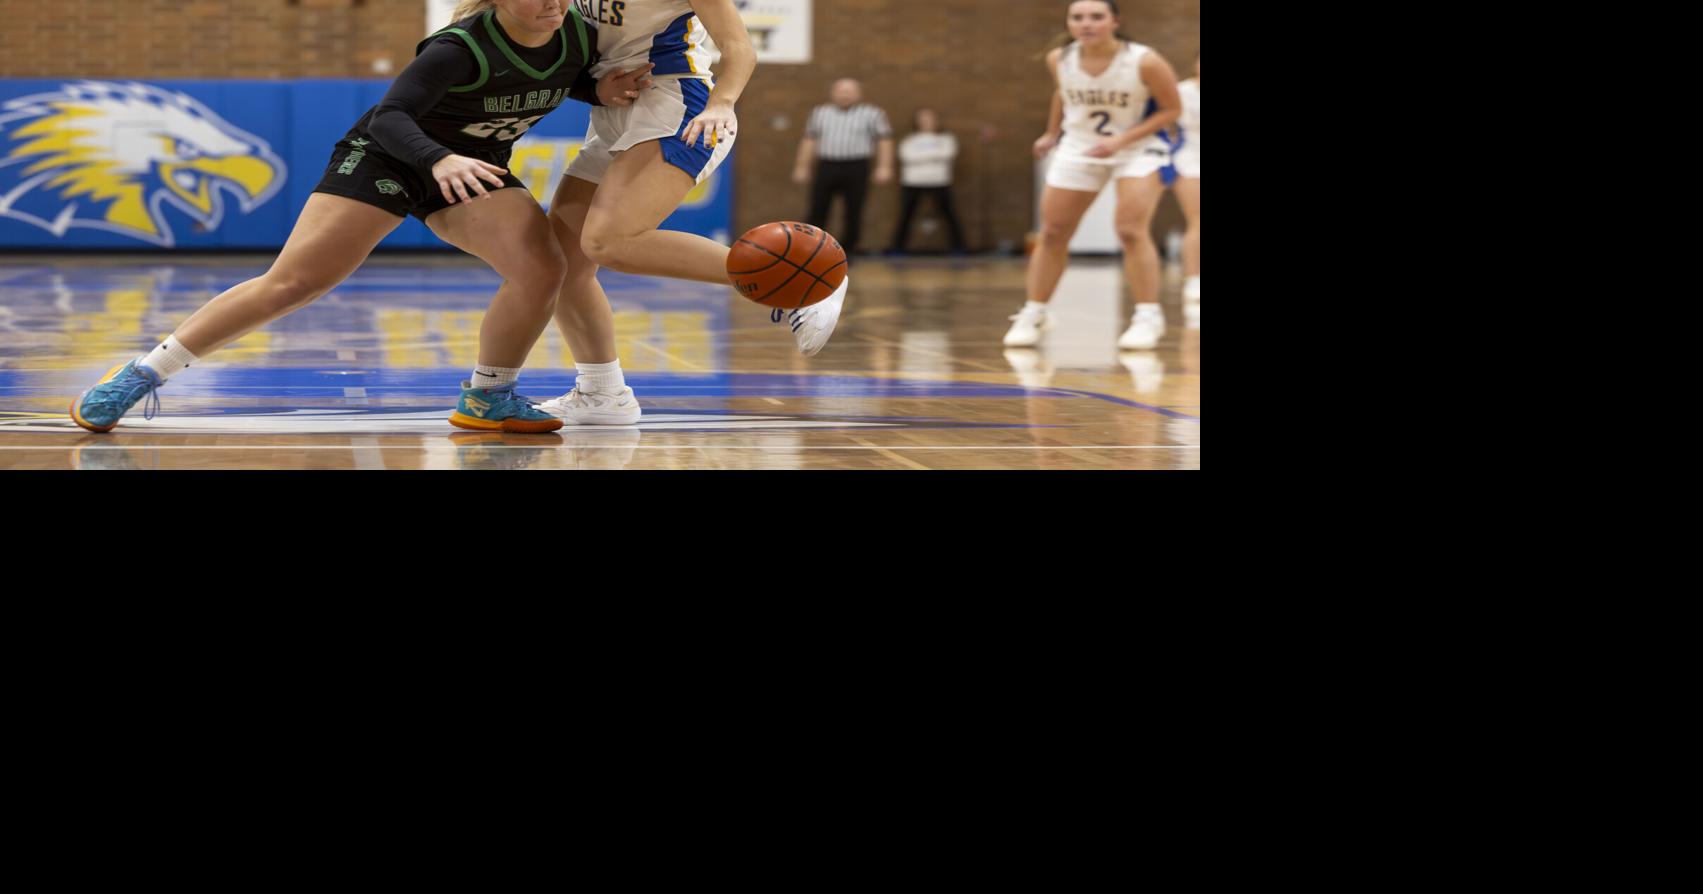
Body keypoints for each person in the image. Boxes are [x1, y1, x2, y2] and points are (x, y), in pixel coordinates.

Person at [70, 0, 650, 434]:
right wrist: (438, 159)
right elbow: (390, 117)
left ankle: (488, 396)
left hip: (467, 170)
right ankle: (143, 374)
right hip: (389, 157)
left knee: (543, 268)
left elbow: (551, 79)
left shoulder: (575, 32)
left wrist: (600, 93)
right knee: (295, 283)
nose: (553, 0)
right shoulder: (458, 47)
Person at [538, 0, 851, 425]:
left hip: (678, 103)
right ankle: (602, 393)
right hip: (612, 105)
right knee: (559, 263)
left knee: (608, 241)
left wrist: (723, 102)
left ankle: (800, 281)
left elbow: (739, 45)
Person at [1002, 0, 1181, 351]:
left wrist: (1121, 141)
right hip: (1081, 145)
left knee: (1130, 229)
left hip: (1138, 147)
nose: (1087, 24)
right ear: (1068, 23)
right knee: (1052, 231)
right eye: (1078, 17)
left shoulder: (1144, 60)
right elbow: (1063, 94)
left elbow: (1172, 109)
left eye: (1096, 17)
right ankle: (1035, 311)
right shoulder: (1060, 58)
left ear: (1115, 21)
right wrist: (1051, 133)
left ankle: (1148, 316)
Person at [792, 78, 893, 257]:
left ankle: (848, 252)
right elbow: (809, 140)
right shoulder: (820, 113)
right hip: (827, 165)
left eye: (849, 91)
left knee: (854, 210)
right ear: (833, 92)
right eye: (841, 90)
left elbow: (884, 141)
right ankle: (811, 250)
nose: (845, 94)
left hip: (857, 166)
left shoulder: (873, 114)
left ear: (858, 93)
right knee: (818, 209)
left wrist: (884, 166)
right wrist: (802, 166)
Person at [888, 107, 967, 255]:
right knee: (906, 216)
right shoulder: (909, 140)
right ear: (917, 122)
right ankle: (897, 248)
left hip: (940, 182)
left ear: (936, 121)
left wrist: (921, 156)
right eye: (923, 119)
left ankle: (959, 247)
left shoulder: (946, 139)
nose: (926, 122)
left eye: (930, 119)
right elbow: (907, 157)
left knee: (950, 215)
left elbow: (947, 154)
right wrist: (934, 156)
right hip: (912, 182)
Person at [1168, 49, 1199, 304]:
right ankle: (1193, 279)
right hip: (1190, 156)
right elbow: (1166, 125)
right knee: (1197, 220)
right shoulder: (1181, 91)